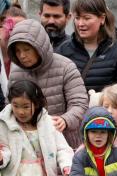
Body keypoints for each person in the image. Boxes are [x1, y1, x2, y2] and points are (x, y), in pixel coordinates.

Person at [7, 19, 87, 147]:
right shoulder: (15, 72)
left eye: (27, 49)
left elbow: (80, 103)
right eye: (17, 51)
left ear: (39, 46)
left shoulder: (66, 66)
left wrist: (65, 120)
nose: (21, 55)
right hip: (26, 146)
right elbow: (9, 107)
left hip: (64, 142)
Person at [57, 0, 117, 101]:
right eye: (77, 18)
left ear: (102, 19)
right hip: (72, 116)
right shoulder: (63, 50)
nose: (80, 23)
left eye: (87, 18)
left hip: (106, 115)